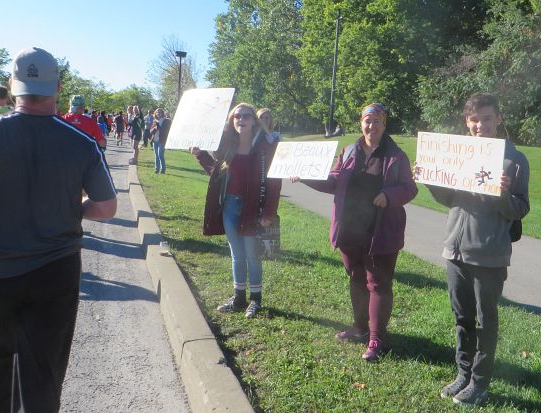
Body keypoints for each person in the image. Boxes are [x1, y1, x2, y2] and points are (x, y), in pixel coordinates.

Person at [0, 47, 117, 413]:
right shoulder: (81, 142)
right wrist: (70, 209)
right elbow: (106, 208)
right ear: (57, 88)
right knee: (43, 369)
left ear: (13, 87)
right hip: (54, 269)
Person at [422, 94, 530, 407]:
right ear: (466, 123)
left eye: (486, 118)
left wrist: (501, 193)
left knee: (485, 322)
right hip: (455, 249)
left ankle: (480, 384)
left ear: (498, 119)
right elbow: (449, 199)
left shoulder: (515, 159)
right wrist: (430, 177)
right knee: (462, 319)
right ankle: (462, 375)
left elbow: (520, 209)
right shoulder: (461, 154)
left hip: (489, 255)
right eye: (474, 119)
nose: (479, 125)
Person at [290, 103, 417, 361]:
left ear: (384, 125)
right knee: (356, 278)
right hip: (350, 227)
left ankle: (376, 338)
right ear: (361, 123)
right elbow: (333, 181)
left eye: (377, 121)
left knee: (378, 283)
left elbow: (409, 188)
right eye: (367, 121)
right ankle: (359, 327)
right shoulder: (349, 151)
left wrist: (388, 195)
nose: (372, 126)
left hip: (381, 229)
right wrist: (305, 176)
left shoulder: (396, 156)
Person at [189, 103, 281, 318]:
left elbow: (274, 180)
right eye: (236, 116)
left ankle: (255, 300)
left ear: (253, 120)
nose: (241, 119)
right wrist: (201, 155)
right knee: (236, 255)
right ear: (232, 120)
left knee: (252, 255)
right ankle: (239, 297)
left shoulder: (265, 147)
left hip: (253, 207)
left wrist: (269, 211)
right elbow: (217, 173)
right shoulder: (227, 146)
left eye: (246, 116)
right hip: (230, 206)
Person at [150, 108, 172, 174]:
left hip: (162, 140)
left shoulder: (166, 121)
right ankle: (157, 169)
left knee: (160, 155)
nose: (158, 113)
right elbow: (151, 132)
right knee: (156, 155)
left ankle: (163, 170)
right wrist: (155, 128)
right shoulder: (155, 121)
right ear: (155, 114)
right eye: (157, 112)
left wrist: (158, 126)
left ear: (162, 113)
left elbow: (166, 131)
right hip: (155, 140)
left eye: (160, 112)